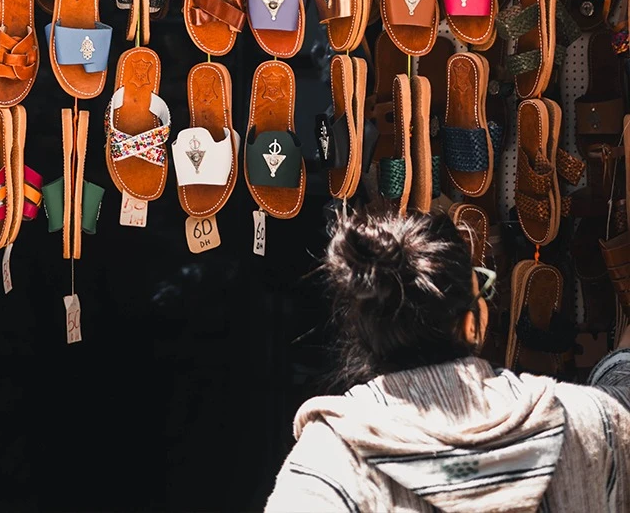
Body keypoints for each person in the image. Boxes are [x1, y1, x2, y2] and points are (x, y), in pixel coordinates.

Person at [265, 209, 630, 512]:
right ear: (472, 323)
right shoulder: (594, 424)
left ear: (363, 334)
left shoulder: (325, 466)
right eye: (483, 288)